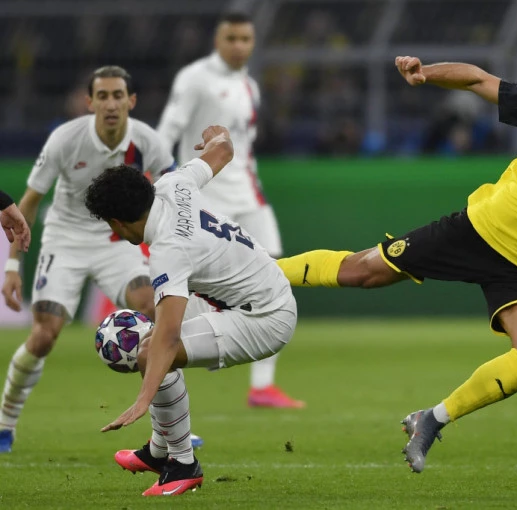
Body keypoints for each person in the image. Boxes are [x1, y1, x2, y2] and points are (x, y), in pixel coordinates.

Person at [276, 56, 517, 473]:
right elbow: (478, 80)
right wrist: (425, 74)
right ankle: (260, 272)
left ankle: (432, 420)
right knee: (363, 272)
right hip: (479, 232)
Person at [84, 125, 297, 496]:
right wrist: (218, 135)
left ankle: (183, 464)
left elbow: (167, 339)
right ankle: (158, 450)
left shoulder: (168, 251)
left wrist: (142, 400)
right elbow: (224, 150)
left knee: (151, 351)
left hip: (265, 318)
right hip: (257, 289)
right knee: (153, 345)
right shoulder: (173, 183)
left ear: (117, 224)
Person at [0, 66, 199, 453]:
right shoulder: (65, 139)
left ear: (131, 101)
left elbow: (176, 193)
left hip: (115, 241)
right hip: (65, 240)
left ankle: (171, 431)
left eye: (118, 95)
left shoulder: (148, 141)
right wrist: (12, 266)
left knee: (156, 313)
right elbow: (29, 202)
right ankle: (5, 421)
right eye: (103, 96)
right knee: (44, 335)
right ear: (89, 102)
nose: (111, 104)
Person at [157, 12, 303, 409]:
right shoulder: (194, 78)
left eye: (245, 39)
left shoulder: (249, 85)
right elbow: (168, 131)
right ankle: (168, 358)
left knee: (275, 277)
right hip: (208, 197)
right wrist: (160, 181)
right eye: (231, 38)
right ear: (217, 41)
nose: (239, 46)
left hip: (249, 197)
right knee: (195, 288)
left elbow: (247, 147)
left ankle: (262, 386)